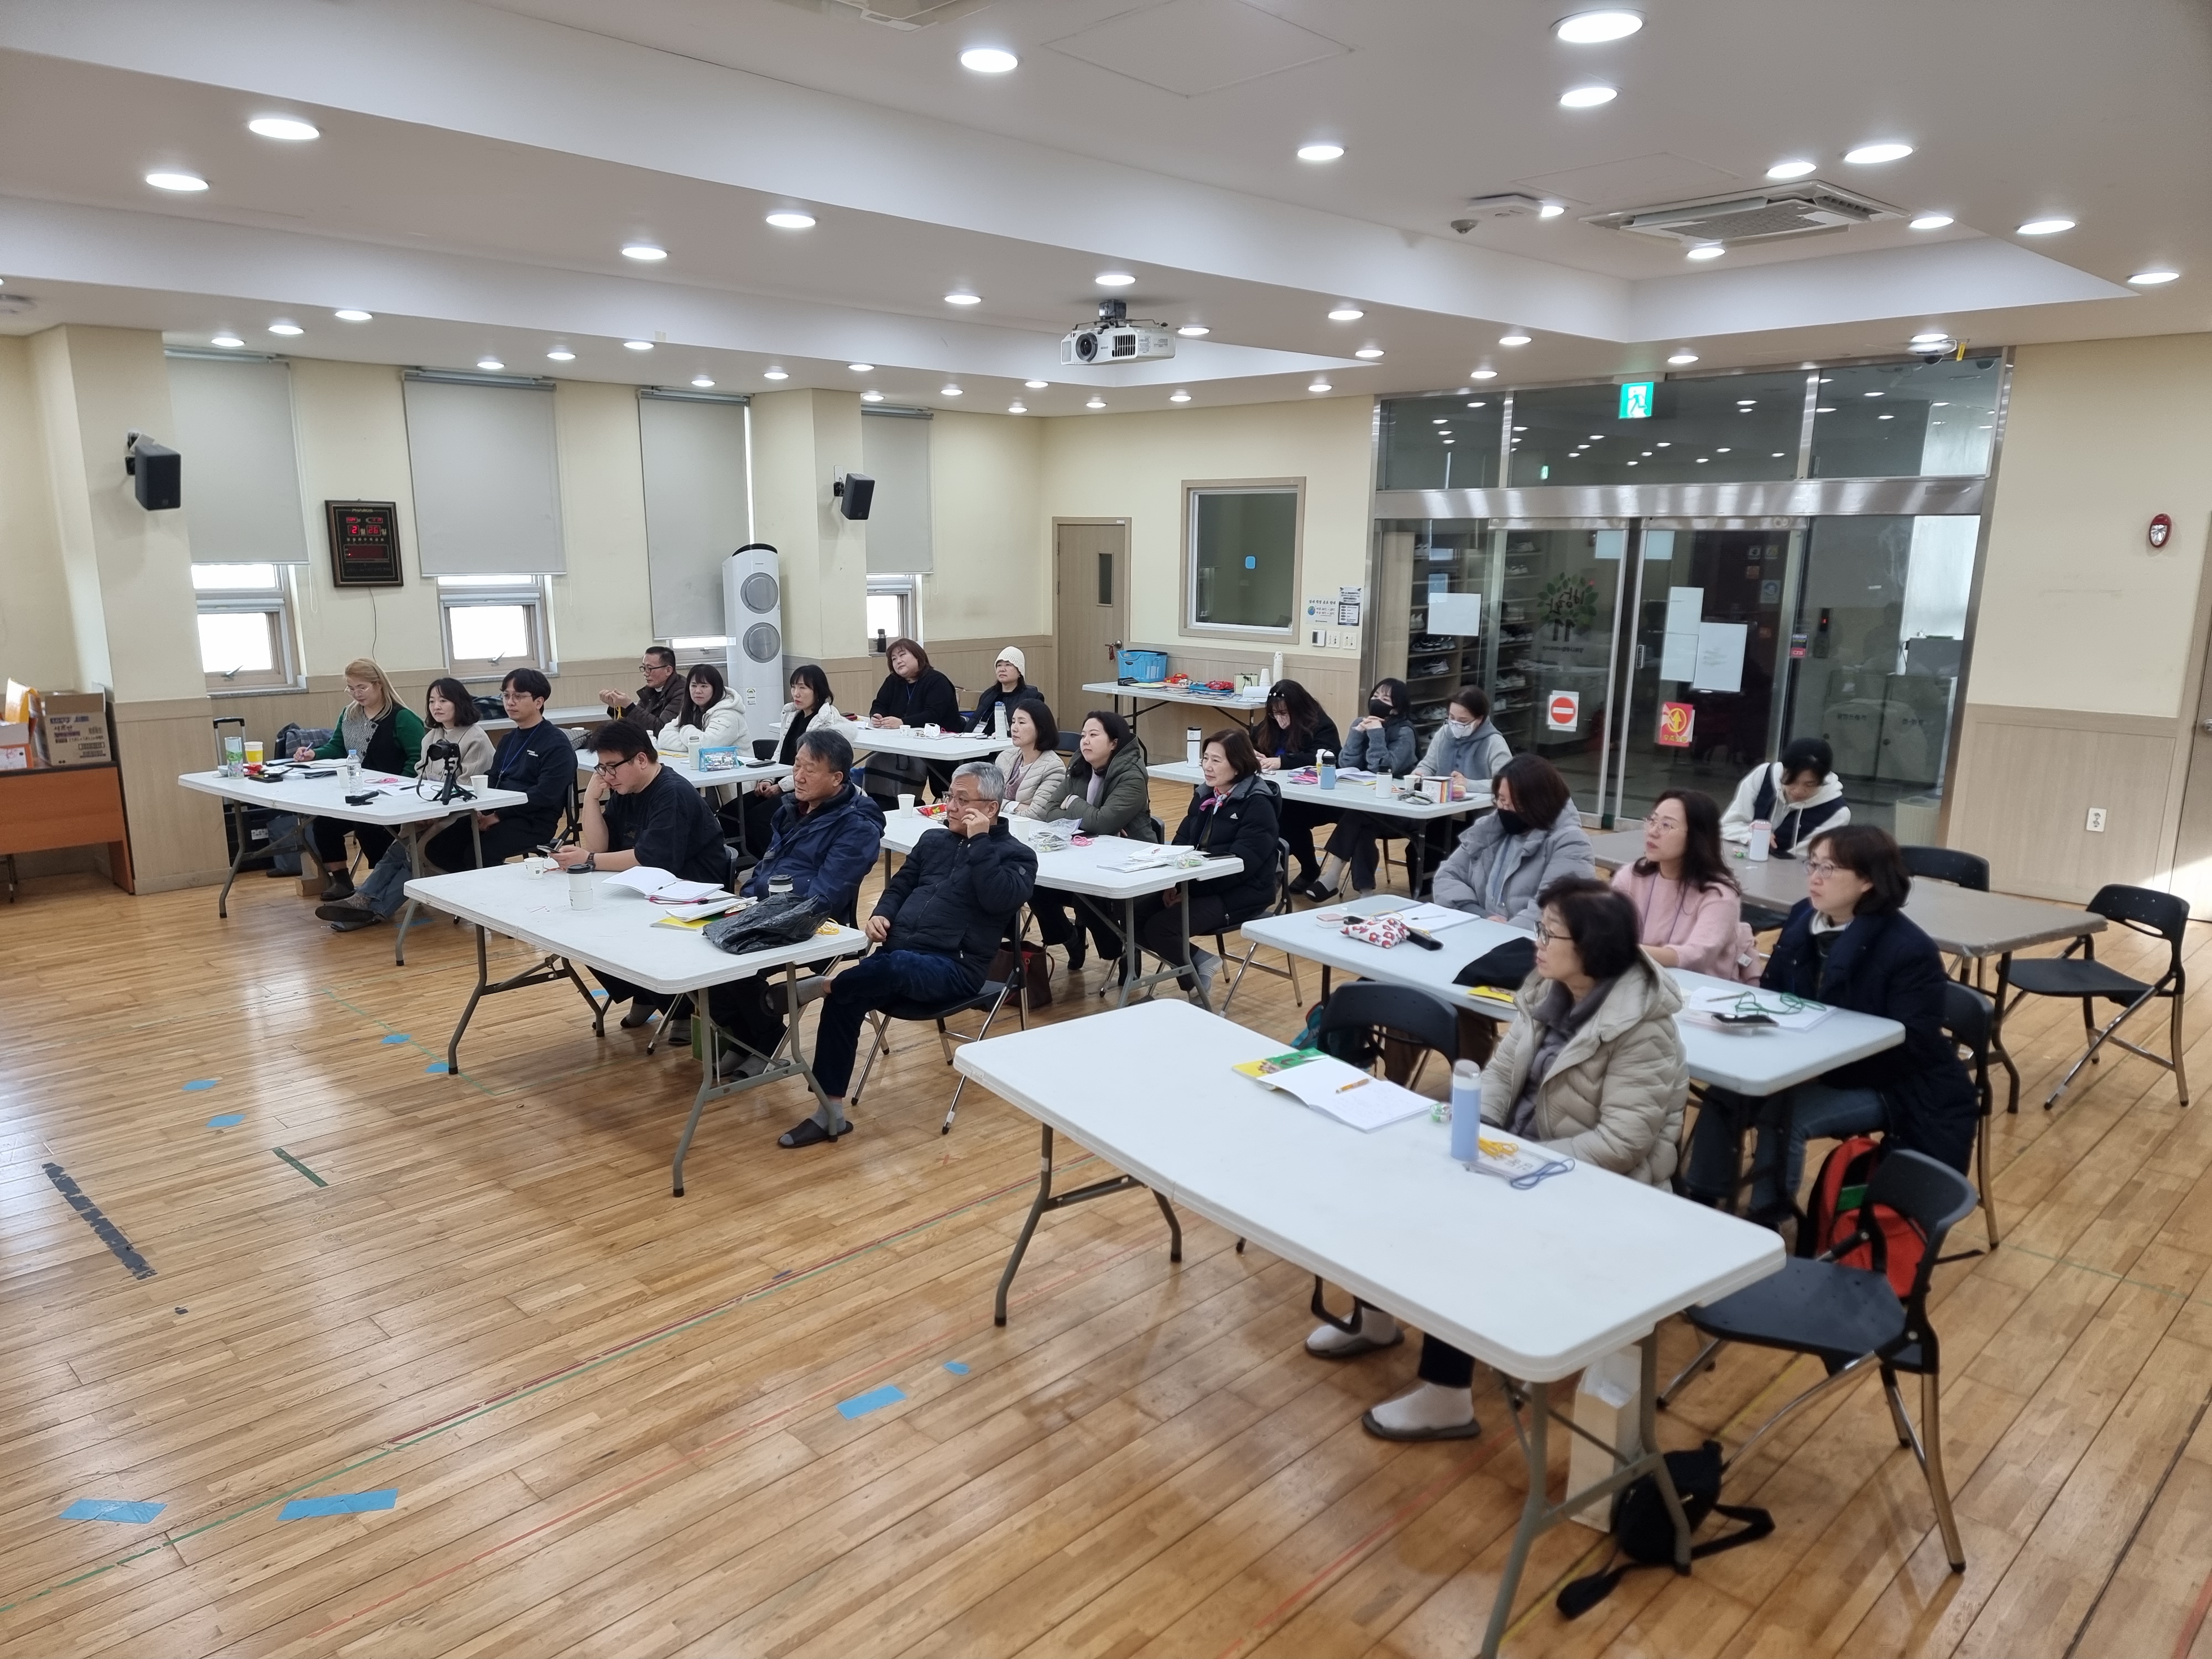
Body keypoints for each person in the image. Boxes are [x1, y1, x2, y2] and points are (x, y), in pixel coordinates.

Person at [1320, 879, 1688, 1439]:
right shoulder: (1546, 992)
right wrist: (1477, 1129)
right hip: (1517, 1160)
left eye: (1550, 933)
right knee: (1392, 1173)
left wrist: (1515, 1159)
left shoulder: (1644, 1030)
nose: (1537, 942)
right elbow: (1498, 1076)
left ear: (1592, 948)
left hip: (1595, 1187)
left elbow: (1621, 1144)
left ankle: (1448, 1396)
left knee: (1466, 1231)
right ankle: (1374, 1319)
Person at [1682, 823, 1978, 1222]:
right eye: (1813, 864)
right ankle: (1701, 1200)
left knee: (1784, 1116)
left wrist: (1818, 1068)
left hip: (1889, 1081)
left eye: (1830, 869)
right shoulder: (1805, 917)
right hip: (1803, 1059)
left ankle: (1767, 1219)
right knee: (1724, 1095)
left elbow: (1912, 1046)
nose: (1815, 878)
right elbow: (1775, 992)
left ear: (1868, 881)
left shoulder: (1909, 949)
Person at [785, 760, 1036, 1149]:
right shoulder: (933, 840)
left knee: (886, 969)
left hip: (956, 968)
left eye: (963, 799)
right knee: (848, 998)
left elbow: (998, 898)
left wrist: (981, 842)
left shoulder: (1017, 857)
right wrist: (881, 913)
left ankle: (825, 984)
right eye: (950, 796)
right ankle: (829, 1112)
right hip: (898, 957)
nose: (951, 806)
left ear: (991, 808)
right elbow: (900, 886)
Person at [706, 728, 885, 1077]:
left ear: (837, 778)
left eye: (810, 769)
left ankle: (766, 1038)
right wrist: (745, 902)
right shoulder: (791, 810)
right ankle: (746, 1037)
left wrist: (761, 916)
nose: (798, 777)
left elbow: (825, 897)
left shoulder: (858, 826)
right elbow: (766, 867)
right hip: (766, 910)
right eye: (797, 766)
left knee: (728, 965)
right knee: (699, 952)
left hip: (814, 924)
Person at [551, 719, 731, 1036]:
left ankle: (679, 1006)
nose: (607, 776)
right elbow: (599, 846)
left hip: (691, 891)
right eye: (601, 768)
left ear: (641, 760)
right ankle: (646, 993)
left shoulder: (671, 793)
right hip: (646, 885)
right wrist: (591, 799)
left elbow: (650, 859)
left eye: (612, 767)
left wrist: (589, 861)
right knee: (580, 926)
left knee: (614, 925)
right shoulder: (626, 787)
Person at [316, 678, 495, 932]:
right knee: (397, 849)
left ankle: (375, 910)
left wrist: (432, 814)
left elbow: (467, 791)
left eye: (444, 701)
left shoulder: (476, 738)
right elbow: (420, 779)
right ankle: (362, 899)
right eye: (432, 701)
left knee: (416, 854)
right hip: (428, 811)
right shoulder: (432, 736)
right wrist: (420, 811)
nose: (436, 707)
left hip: (460, 817)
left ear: (459, 703)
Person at [1133, 728, 1280, 1008]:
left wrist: (1189, 890)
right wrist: (1173, 884)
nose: (1208, 767)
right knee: (1135, 917)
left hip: (1242, 892)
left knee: (1162, 928)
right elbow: (1182, 842)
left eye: (1216, 760)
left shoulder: (1258, 803)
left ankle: (1196, 991)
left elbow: (1241, 864)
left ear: (1237, 765)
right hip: (1198, 883)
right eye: (1206, 759)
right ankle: (1201, 960)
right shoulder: (1205, 794)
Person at [1032, 710, 1158, 969]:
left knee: (1086, 895)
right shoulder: (1080, 767)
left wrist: (1074, 804)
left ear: (1114, 743)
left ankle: (1119, 950)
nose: (1085, 741)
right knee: (1032, 883)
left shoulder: (1132, 776)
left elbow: (1102, 822)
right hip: (1082, 855)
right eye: (1083, 736)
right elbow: (1050, 812)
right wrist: (1091, 820)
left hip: (1129, 864)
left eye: (1093, 735)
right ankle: (1069, 938)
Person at [291, 658, 424, 901]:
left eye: (362, 688)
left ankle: (382, 883)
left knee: (369, 827)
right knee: (324, 822)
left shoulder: (402, 718)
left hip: (394, 796)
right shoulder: (349, 715)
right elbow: (337, 747)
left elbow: (418, 757)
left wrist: (399, 784)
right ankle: (342, 880)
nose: (356, 694)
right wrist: (314, 754)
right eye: (351, 688)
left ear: (379, 684)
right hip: (359, 791)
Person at [421, 667, 576, 875]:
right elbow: (493, 778)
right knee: (437, 848)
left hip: (532, 821)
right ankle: (474, 886)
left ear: (539, 702)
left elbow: (544, 795)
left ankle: (488, 887)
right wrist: (480, 809)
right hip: (498, 813)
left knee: (478, 854)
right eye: (506, 696)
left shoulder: (556, 744)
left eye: (518, 697)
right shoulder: (508, 739)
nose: (510, 702)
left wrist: (498, 815)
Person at [1432, 754, 1594, 928]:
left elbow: (1554, 910)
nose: (1506, 809)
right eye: (1501, 800)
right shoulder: (1489, 830)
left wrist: (1503, 933)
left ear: (1540, 803)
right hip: (1481, 932)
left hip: (1531, 942)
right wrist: (1478, 915)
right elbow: (1447, 876)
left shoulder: (1571, 844)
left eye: (1516, 803)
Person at [1611, 789, 1757, 981]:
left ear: (1696, 837)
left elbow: (1698, 956)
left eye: (1666, 825)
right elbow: (1607, 931)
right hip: (1636, 980)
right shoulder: (1630, 877)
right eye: (1652, 821)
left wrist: (1628, 952)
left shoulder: (1719, 894)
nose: (1653, 832)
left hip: (1700, 989)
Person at [1306, 677, 1417, 900]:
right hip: (1367, 804)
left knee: (1357, 817)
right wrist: (1357, 733)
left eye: (1385, 699)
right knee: (1361, 825)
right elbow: (1345, 763)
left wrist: (1376, 734)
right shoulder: (1362, 722)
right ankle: (1365, 893)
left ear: (1397, 708)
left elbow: (1383, 768)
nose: (1378, 702)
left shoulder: (1405, 733)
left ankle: (1332, 877)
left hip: (1399, 809)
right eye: (1375, 696)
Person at [734, 663, 843, 852]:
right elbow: (780, 751)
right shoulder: (792, 714)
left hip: (802, 788)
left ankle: (778, 861)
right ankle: (740, 861)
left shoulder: (826, 721)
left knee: (757, 820)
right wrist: (768, 779)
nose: (796, 693)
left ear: (818, 691)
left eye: (803, 688)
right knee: (732, 812)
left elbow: (812, 768)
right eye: (793, 687)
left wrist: (781, 786)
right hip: (780, 782)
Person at [1250, 680, 1342, 891]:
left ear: (1298, 709)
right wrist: (1251, 753)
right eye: (1274, 714)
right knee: (1264, 808)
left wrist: (1282, 762)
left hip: (1318, 798)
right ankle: (1272, 866)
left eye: (1284, 713)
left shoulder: (1321, 726)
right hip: (1282, 792)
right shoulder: (1270, 725)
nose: (1280, 719)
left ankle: (1303, 868)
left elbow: (1323, 756)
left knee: (1285, 813)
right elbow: (1251, 741)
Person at [865, 637, 963, 805]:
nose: (898, 661)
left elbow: (933, 715)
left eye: (902, 655)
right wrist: (877, 715)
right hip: (899, 744)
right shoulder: (893, 681)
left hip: (935, 746)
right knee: (874, 761)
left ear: (918, 656)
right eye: (894, 659)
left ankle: (908, 805)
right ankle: (878, 806)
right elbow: (880, 704)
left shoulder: (937, 681)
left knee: (909, 766)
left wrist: (902, 722)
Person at [1720, 735, 1849, 856]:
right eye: (1791, 781)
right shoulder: (1763, 776)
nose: (1798, 791)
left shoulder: (1837, 813)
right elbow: (1727, 826)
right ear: (1783, 770)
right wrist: (1750, 836)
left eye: (1809, 785)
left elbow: (1808, 857)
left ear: (1824, 779)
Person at [1414, 684, 1512, 792]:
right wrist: (1420, 774)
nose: (1456, 724)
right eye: (1452, 717)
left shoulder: (1494, 741)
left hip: (1480, 803)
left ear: (1480, 719)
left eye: (1463, 721)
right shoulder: (1444, 733)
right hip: (1442, 799)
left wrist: (1469, 784)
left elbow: (1507, 783)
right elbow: (1428, 766)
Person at [653, 662, 748, 761]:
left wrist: (686, 728)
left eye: (704, 686)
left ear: (716, 689)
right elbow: (663, 737)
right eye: (694, 686)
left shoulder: (728, 714)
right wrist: (693, 746)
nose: (698, 691)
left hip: (739, 770)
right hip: (704, 767)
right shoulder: (692, 709)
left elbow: (706, 745)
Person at [994, 697, 1068, 820]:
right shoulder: (1005, 758)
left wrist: (1001, 806)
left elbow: (1036, 814)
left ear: (1040, 728)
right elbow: (986, 801)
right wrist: (1016, 806)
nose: (1014, 728)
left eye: (1022, 723)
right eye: (1013, 722)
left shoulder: (1054, 768)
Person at [597, 644, 685, 735]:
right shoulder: (652, 689)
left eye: (650, 668)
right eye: (644, 668)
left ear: (668, 671)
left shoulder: (682, 692)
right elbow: (637, 723)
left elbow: (662, 729)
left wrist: (629, 706)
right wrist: (617, 707)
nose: (645, 673)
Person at [971, 646, 1044, 740]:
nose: (1002, 669)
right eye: (999, 665)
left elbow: (1035, 730)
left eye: (1008, 665)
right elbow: (974, 724)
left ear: (1020, 672)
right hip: (981, 742)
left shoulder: (1032, 698)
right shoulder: (988, 695)